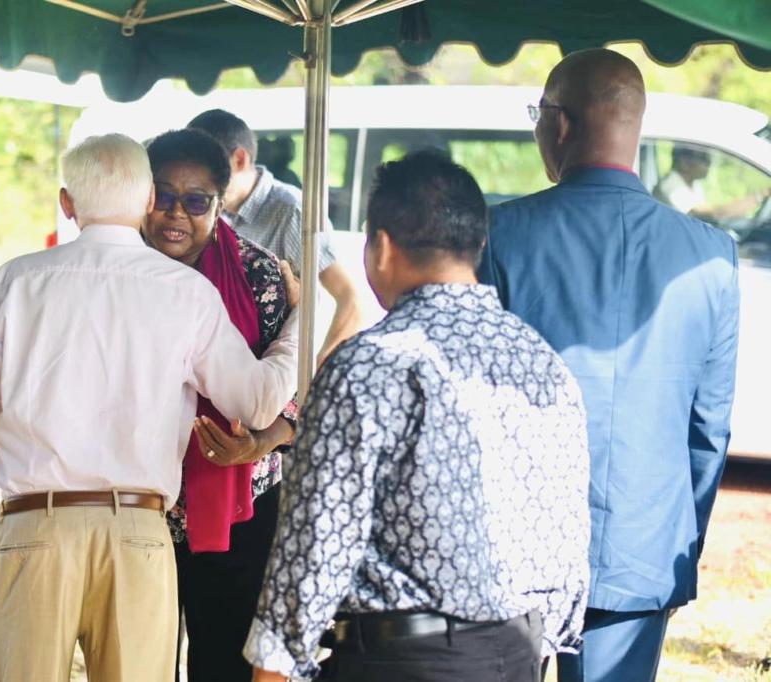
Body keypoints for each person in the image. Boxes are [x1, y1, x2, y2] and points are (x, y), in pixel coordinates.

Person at [0, 133, 299, 682]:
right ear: (147, 200)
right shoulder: (186, 292)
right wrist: (297, 332)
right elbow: (257, 405)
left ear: (68, 203)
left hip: (34, 526)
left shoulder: (17, 281)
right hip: (138, 529)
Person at [246, 150, 592, 682]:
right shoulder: (542, 361)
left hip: (403, 660)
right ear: (476, 245)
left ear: (381, 247)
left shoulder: (371, 363)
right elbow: (568, 531)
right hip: (519, 651)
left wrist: (274, 664)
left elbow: (316, 542)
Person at [479, 48, 740, 682]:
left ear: (560, 123)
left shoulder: (500, 233)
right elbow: (708, 433)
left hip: (511, 545)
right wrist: (675, 545)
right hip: (643, 545)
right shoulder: (712, 255)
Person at [141, 128, 298, 682]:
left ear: (220, 203)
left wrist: (262, 441)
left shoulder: (259, 274)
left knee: (225, 660)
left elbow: (296, 383)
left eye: (196, 201)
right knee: (139, 659)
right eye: (162, 195)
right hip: (140, 499)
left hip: (239, 503)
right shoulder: (120, 270)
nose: (175, 213)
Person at [189, 109, 361, 366]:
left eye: (205, 169)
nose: (197, 182)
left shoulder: (291, 212)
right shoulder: (207, 207)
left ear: (239, 160)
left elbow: (350, 299)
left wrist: (320, 370)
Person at [653, 143, 767, 221]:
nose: (709, 163)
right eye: (704, 158)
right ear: (685, 161)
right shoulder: (671, 186)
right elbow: (714, 213)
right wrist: (760, 196)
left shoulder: (694, 184)